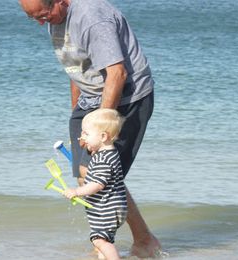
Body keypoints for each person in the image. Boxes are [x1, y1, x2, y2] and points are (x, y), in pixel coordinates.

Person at [19, 0, 161, 257]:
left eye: (43, 15)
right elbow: (77, 68)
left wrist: (98, 124)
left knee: (101, 178)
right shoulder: (55, 17)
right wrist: (77, 115)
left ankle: (121, 244)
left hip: (128, 97)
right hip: (91, 97)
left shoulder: (92, 17)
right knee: (86, 175)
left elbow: (117, 74)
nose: (41, 22)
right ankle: (133, 241)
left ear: (60, 1)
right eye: (33, 18)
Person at [63, 109, 127, 260]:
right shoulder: (110, 153)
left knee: (99, 240)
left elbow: (98, 184)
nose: (81, 137)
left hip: (106, 208)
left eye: (86, 133)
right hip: (112, 207)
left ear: (103, 136)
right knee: (104, 241)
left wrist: (77, 191)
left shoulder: (102, 159)